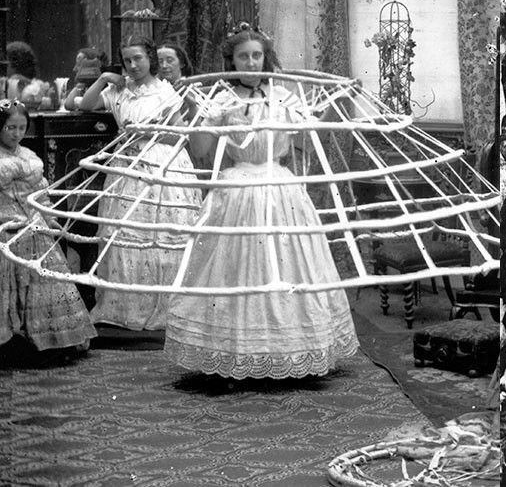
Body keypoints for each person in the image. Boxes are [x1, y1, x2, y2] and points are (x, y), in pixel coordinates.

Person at [163, 24, 358, 379]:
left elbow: (309, 138)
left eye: (257, 55)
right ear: (232, 62)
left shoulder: (283, 97)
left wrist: (337, 103)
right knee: (234, 269)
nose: (251, 62)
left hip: (280, 189)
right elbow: (201, 150)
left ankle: (292, 349)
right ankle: (233, 352)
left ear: (265, 59)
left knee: (288, 265)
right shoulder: (223, 99)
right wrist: (195, 108)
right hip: (237, 190)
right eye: (243, 56)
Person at [77, 36, 202, 330]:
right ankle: (125, 307)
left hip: (162, 165)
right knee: (125, 232)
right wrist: (104, 79)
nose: (133, 66)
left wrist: (145, 133)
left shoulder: (166, 91)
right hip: (126, 168)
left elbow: (179, 136)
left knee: (160, 234)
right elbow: (86, 104)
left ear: (150, 59)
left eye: (138, 59)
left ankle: (164, 306)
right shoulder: (120, 91)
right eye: (127, 61)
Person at [0, 99, 96, 360]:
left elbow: (41, 194)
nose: (16, 134)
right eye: (10, 128)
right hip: (6, 227)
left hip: (33, 225)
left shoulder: (29, 156)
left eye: (21, 128)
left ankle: (51, 340)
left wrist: (48, 216)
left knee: (48, 274)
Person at [2, 42, 52, 109]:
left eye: (6, 63)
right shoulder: (38, 85)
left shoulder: (37, 87)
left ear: (14, 65)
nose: (3, 67)